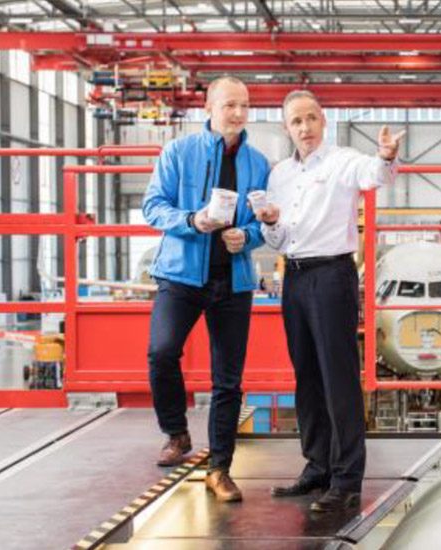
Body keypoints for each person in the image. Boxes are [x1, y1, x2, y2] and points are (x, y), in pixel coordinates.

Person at [255, 90, 404, 513]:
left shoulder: (343, 161)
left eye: (311, 118)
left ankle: (346, 479)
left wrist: (387, 156)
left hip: (332, 276)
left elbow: (376, 175)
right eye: (296, 121)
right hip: (294, 277)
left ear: (323, 120)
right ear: (287, 128)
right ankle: (317, 466)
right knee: (306, 377)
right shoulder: (280, 174)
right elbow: (279, 238)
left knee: (338, 378)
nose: (304, 128)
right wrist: (271, 223)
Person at [142, 76, 270, 502]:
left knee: (228, 380)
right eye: (230, 105)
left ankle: (220, 469)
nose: (238, 113)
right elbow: (152, 206)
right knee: (162, 352)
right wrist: (191, 221)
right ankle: (176, 432)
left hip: (233, 280)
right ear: (209, 109)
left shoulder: (258, 163)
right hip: (180, 275)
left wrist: (246, 237)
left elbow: (264, 222)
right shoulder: (178, 152)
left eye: (244, 105)